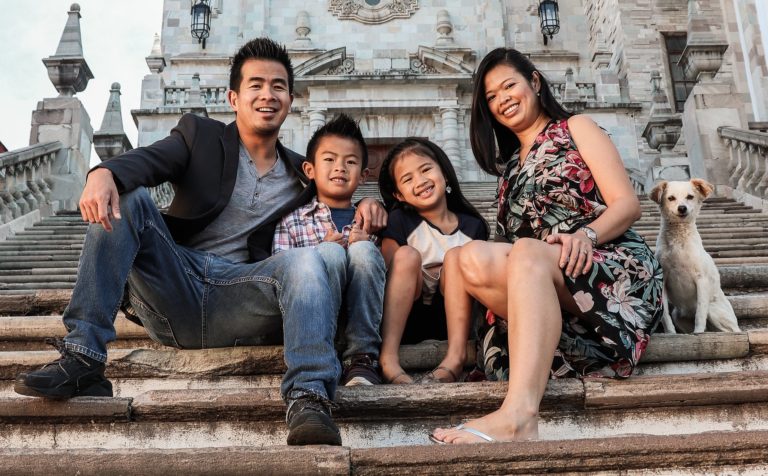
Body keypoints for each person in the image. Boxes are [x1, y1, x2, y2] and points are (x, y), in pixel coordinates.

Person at [13, 37, 386, 447]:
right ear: (233, 97)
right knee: (131, 197)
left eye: (278, 86)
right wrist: (103, 173)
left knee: (306, 261)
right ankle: (83, 354)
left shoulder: (305, 171)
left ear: (291, 100)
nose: (267, 94)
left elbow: (340, 182)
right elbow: (150, 160)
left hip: (243, 294)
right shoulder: (200, 136)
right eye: (256, 85)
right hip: (177, 285)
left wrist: (367, 201)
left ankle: (309, 396)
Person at [430, 48, 663, 444]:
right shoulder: (510, 169)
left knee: (526, 251)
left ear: (534, 82)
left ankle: (520, 415)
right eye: (491, 96)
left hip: (609, 264)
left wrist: (585, 235)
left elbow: (627, 204)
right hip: (548, 278)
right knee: (465, 257)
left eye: (509, 85)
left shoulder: (577, 128)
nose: (502, 99)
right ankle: (539, 341)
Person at [272, 113, 385, 386]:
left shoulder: (371, 221)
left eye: (351, 162)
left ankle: (362, 358)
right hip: (313, 320)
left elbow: (383, 279)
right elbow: (280, 276)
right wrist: (320, 252)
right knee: (329, 254)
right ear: (310, 170)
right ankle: (322, 353)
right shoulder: (292, 220)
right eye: (330, 159)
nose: (340, 168)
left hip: (362, 317)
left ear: (364, 175)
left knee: (365, 252)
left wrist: (366, 243)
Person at [377, 138, 489, 385]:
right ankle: (388, 357)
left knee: (457, 257)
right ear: (399, 195)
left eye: (426, 169)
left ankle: (456, 357)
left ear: (445, 175)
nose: (420, 181)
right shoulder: (398, 221)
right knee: (407, 255)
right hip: (408, 319)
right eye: (407, 179)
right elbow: (386, 274)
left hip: (454, 320)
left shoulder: (474, 226)